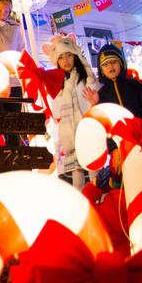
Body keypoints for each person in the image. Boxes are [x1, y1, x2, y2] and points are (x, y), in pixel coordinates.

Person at [44, 34, 93, 188]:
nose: (66, 61)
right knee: (76, 172)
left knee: (93, 168)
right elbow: (56, 112)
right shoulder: (58, 83)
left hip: (87, 128)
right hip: (70, 135)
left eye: (69, 56)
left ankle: (98, 200)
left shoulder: (87, 77)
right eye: (61, 58)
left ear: (75, 56)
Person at [91, 43, 142, 125]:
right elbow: (102, 121)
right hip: (116, 137)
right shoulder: (102, 94)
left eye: (114, 61)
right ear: (101, 70)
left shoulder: (134, 85)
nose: (110, 66)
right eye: (105, 64)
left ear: (121, 63)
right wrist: (97, 103)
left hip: (138, 135)